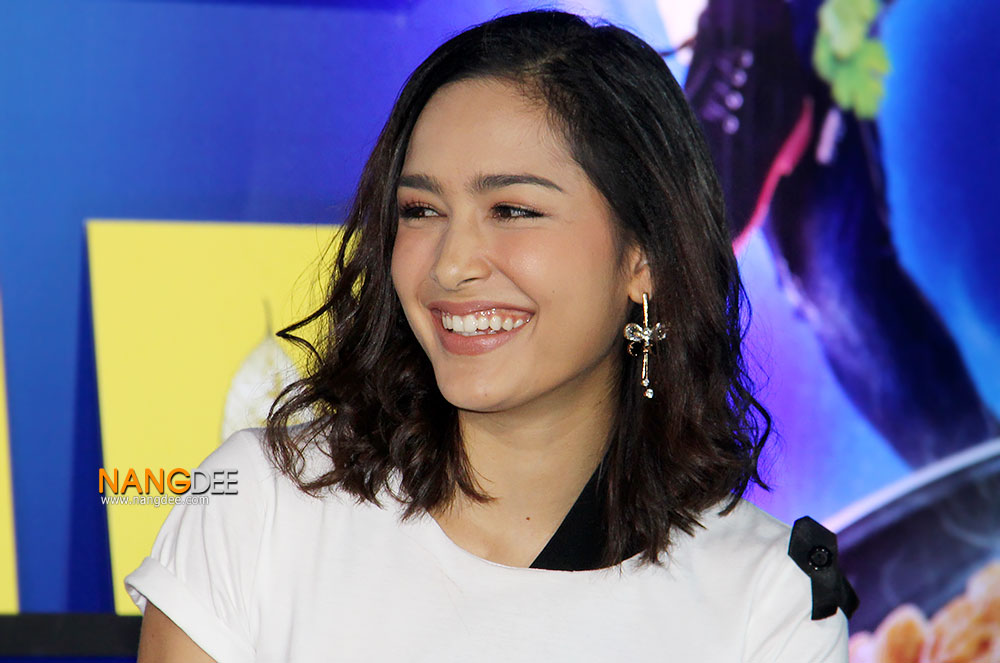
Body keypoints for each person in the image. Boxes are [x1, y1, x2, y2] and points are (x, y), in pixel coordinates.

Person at [125, 9, 856, 662]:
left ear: (645, 258)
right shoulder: (262, 507)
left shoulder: (764, 599)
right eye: (420, 211)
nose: (451, 264)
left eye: (511, 210)